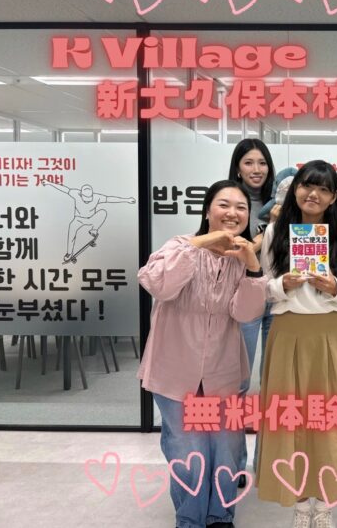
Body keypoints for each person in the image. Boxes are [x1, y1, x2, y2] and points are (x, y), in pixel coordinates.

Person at [137, 180, 267, 528]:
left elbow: (246, 313)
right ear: (207, 210)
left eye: (241, 207)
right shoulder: (180, 245)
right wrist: (202, 243)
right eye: (224, 204)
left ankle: (220, 515)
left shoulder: (241, 259)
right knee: (188, 449)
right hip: (174, 369)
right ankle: (190, 520)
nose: (233, 213)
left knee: (225, 448)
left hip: (223, 370)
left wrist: (253, 266)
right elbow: (157, 283)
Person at [256, 160, 337, 528]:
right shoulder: (275, 231)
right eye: (308, 185)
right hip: (288, 331)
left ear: (334, 197)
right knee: (290, 418)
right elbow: (265, 286)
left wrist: (335, 288)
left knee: (329, 419)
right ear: (295, 189)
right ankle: (299, 504)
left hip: (331, 333)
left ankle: (323, 504)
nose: (314, 194)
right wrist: (283, 285)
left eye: (323, 189)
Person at [228, 138, 278, 480]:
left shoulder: (283, 201)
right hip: (243, 296)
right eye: (249, 162)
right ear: (237, 167)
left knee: (273, 384)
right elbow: (230, 246)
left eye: (262, 162)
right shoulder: (230, 202)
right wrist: (265, 230)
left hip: (276, 297)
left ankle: (266, 462)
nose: (256, 169)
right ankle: (233, 464)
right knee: (238, 382)